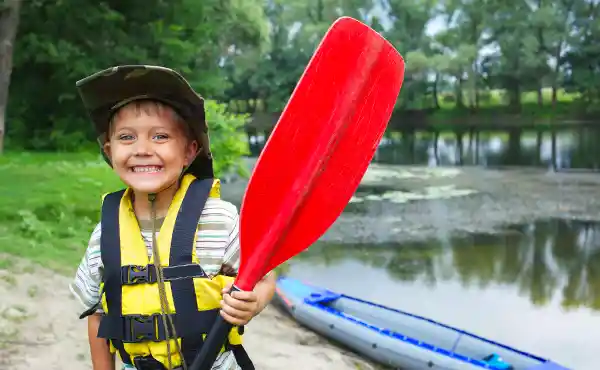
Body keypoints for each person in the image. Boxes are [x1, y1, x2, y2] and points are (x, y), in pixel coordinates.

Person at [69, 65, 277, 370]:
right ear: (109, 151)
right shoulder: (105, 233)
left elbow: (266, 277)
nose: (142, 149)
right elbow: (98, 315)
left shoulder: (220, 218)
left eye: (160, 136)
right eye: (127, 137)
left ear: (190, 152)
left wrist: (255, 302)